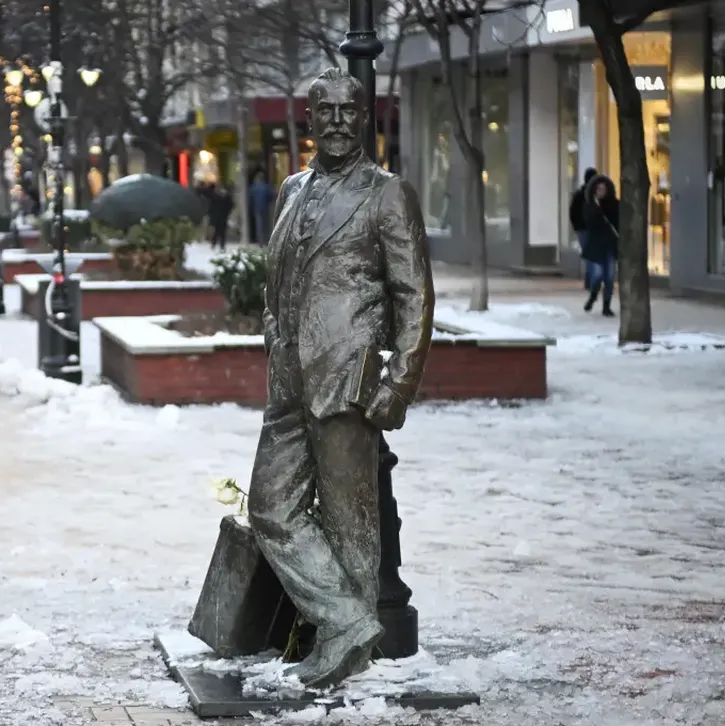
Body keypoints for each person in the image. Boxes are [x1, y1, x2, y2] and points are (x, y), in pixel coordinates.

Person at [247, 68, 433, 688]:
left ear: (365, 119)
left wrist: (398, 384)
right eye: (322, 110)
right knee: (272, 509)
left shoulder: (387, 194)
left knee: (353, 525)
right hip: (290, 378)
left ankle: (344, 643)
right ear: (307, 119)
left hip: (347, 379)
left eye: (346, 111)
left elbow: (414, 297)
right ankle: (348, 621)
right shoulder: (291, 187)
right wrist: (275, 335)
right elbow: (277, 277)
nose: (333, 120)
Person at [582, 174, 619, 317]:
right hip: (596, 246)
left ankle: (606, 306)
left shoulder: (613, 205)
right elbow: (589, 222)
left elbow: (617, 222)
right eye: (598, 189)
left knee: (609, 278)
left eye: (603, 189)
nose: (601, 192)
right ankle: (593, 296)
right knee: (597, 275)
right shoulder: (590, 205)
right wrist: (596, 207)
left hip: (610, 245)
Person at [570, 167, 598, 290]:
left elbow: (573, 213)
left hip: (585, 229)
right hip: (586, 229)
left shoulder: (581, 194)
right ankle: (591, 282)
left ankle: (589, 281)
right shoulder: (587, 195)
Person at [249, 172, 274, 244]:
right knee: (266, 225)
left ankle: (260, 241)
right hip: (265, 208)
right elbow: (271, 196)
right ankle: (266, 240)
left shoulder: (253, 187)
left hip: (257, 208)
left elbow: (250, 198)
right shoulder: (266, 187)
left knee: (259, 225)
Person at [208, 184, 234, 249]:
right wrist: (228, 213)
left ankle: (215, 243)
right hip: (223, 216)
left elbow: (211, 207)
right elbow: (231, 206)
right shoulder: (227, 196)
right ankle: (221, 244)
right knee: (222, 231)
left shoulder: (215, 196)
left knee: (217, 231)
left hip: (218, 216)